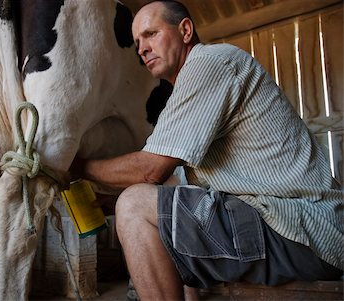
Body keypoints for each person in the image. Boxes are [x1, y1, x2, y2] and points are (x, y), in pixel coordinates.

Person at [71, 1, 343, 300]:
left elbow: (150, 171)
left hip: (305, 230)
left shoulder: (211, 63)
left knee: (136, 206)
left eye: (150, 34)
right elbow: (175, 184)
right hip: (292, 230)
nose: (142, 49)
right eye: (137, 42)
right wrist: (110, 202)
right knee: (160, 212)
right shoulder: (189, 95)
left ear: (185, 30)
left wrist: (77, 166)